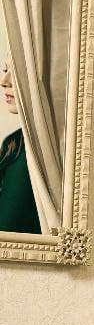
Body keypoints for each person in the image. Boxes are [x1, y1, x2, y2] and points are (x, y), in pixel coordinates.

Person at [0, 53, 40, 235]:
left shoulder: (30, 148)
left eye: (16, 71)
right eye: (5, 70)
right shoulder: (14, 143)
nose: (4, 81)